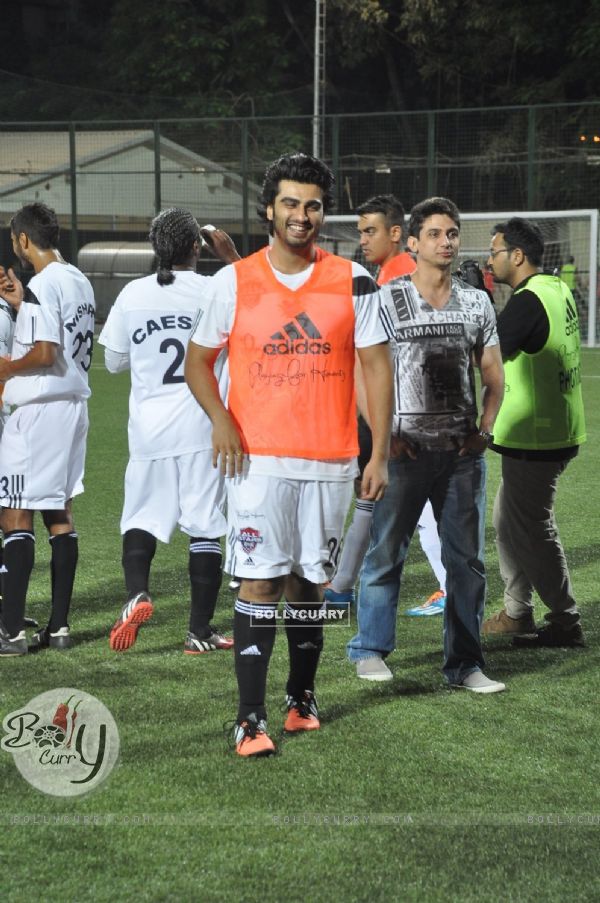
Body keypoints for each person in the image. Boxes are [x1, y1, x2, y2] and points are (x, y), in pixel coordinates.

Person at [185, 152, 394, 757]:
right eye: (291, 204)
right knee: (261, 582)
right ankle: (250, 719)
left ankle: (301, 698)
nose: (302, 215)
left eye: (313, 205)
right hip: (258, 463)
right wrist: (221, 420)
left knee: (311, 586)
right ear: (269, 209)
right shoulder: (235, 279)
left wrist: (377, 453)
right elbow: (198, 362)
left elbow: (375, 369)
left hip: (332, 462)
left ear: (322, 213)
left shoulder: (355, 280)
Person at [347, 196, 506, 693]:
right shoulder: (385, 298)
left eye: (453, 232)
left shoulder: (477, 302)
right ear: (412, 243)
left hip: (461, 458)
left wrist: (486, 430)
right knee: (385, 552)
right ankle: (370, 650)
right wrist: (383, 435)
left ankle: (465, 664)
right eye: (435, 233)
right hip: (405, 452)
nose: (447, 241)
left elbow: (494, 377)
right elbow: (359, 373)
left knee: (467, 563)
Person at [99, 209, 240, 654]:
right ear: (196, 247)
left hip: (149, 431)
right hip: (204, 426)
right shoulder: (215, 288)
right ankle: (198, 631)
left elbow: (113, 361)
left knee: (141, 516)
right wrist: (233, 259)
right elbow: (254, 317)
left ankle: (137, 592)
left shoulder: (133, 293)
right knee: (203, 528)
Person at [325, 193, 447, 617]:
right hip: (408, 409)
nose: (363, 239)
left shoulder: (396, 276)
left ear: (397, 234)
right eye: (360, 232)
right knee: (380, 499)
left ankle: (343, 591)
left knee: (396, 501)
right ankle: (340, 587)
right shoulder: (395, 274)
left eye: (370, 231)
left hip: (399, 411)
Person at [482, 218, 586, 646]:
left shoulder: (528, 302)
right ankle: (517, 612)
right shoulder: (555, 288)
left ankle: (564, 619)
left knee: (533, 528)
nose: (490, 260)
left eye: (495, 253)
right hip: (553, 427)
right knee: (509, 522)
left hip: (537, 433)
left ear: (517, 256)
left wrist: (477, 302)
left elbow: (486, 354)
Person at [0, 202, 95, 655]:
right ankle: (58, 628)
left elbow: (43, 354)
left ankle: (11, 632)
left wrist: (6, 368)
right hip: (72, 408)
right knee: (59, 515)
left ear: (23, 240)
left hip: (39, 411)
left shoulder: (42, 284)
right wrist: (22, 304)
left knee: (14, 514)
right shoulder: (76, 279)